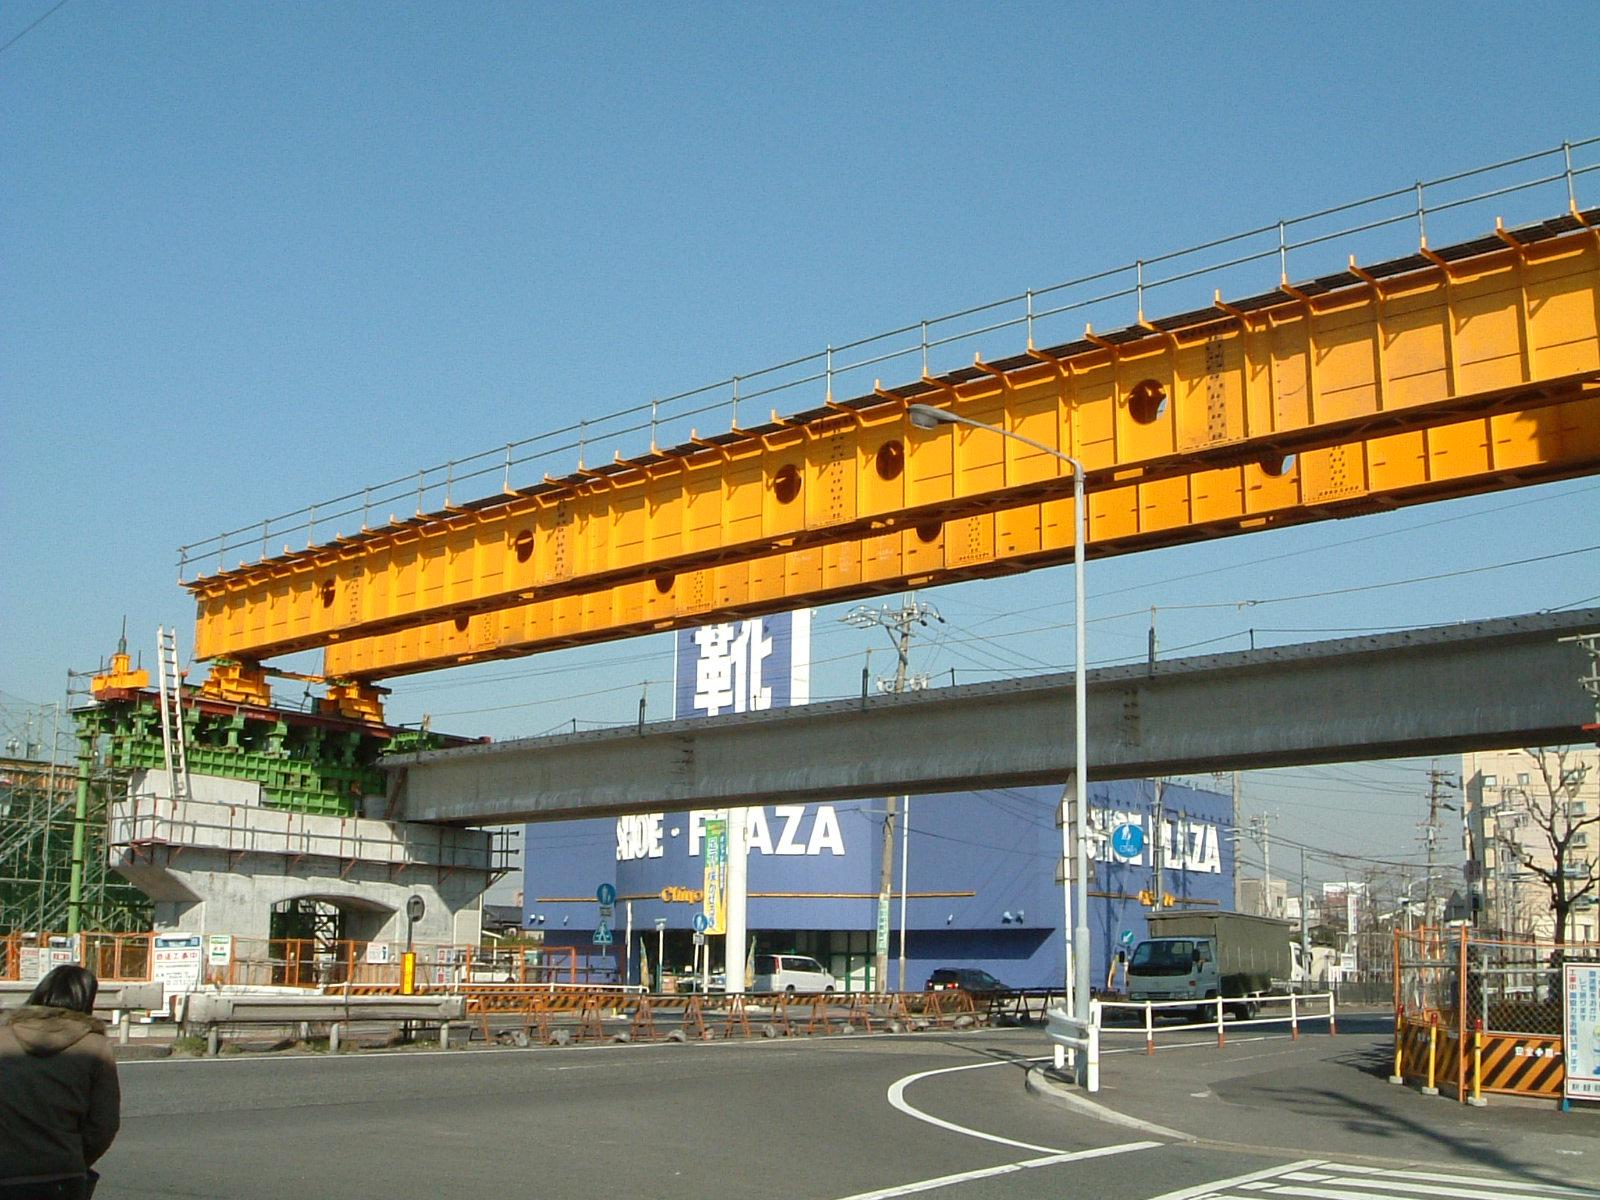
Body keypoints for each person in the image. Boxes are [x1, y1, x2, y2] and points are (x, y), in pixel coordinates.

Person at [0, 965, 121, 1200]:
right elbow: (103, 1125)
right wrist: (72, 1157)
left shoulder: (3, 1038)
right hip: (62, 1177)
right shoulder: (96, 1048)